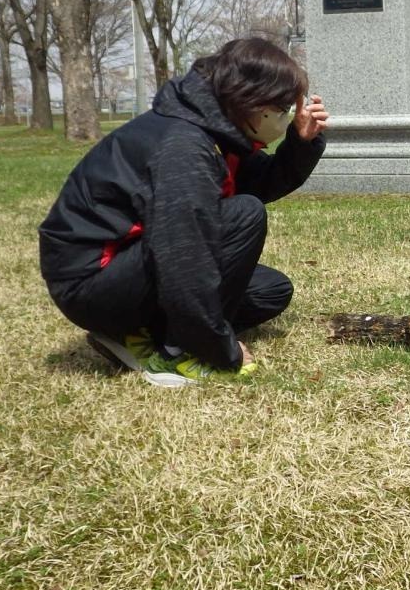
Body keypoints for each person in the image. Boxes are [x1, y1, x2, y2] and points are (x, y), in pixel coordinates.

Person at [39, 38, 330, 386]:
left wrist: (301, 142)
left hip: (130, 265)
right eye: (281, 107)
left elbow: (258, 182)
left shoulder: (215, 126)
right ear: (251, 99)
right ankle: (177, 351)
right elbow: (183, 256)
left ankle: (134, 333)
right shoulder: (185, 146)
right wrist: (219, 348)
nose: (284, 116)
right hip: (90, 286)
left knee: (270, 291)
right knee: (244, 215)